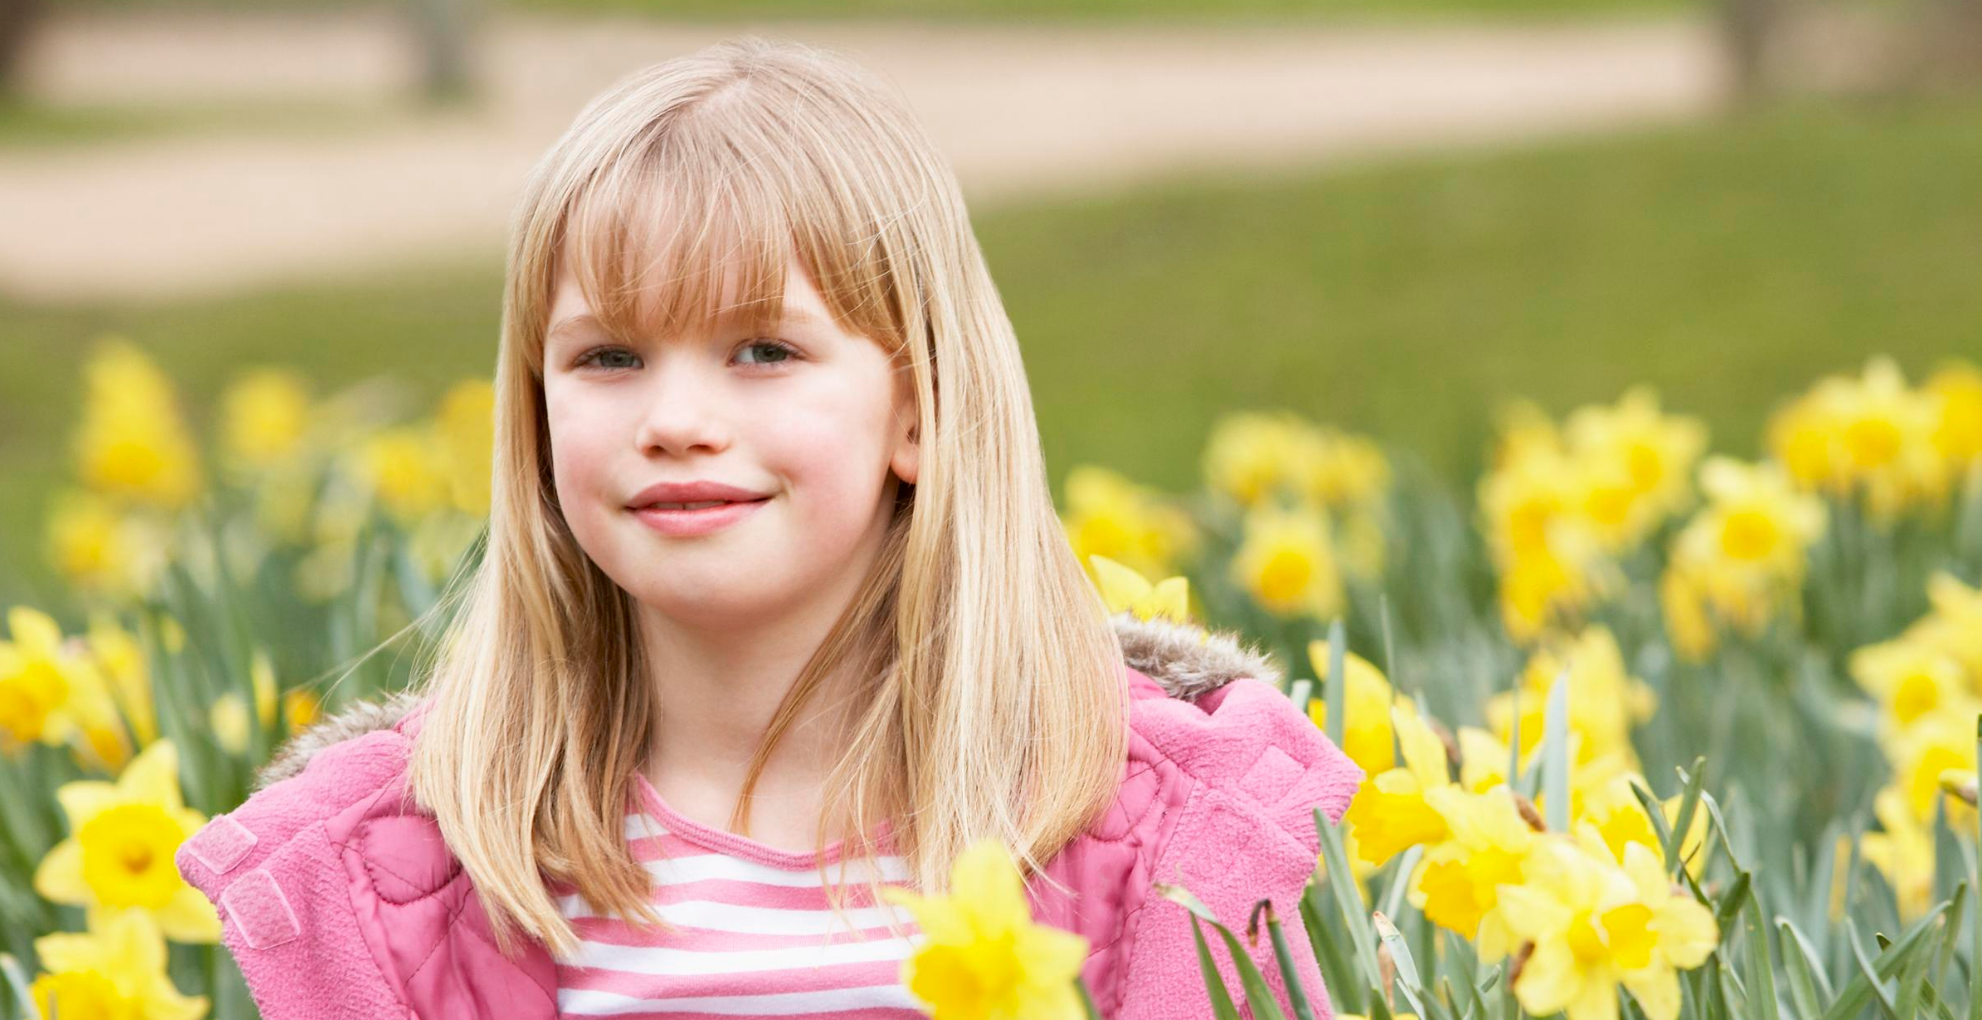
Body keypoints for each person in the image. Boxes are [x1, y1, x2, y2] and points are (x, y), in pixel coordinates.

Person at [174, 38, 1360, 1020]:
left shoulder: (1154, 842)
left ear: (918, 408)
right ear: (534, 415)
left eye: (762, 352)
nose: (676, 420)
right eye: (608, 357)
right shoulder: (418, 870)